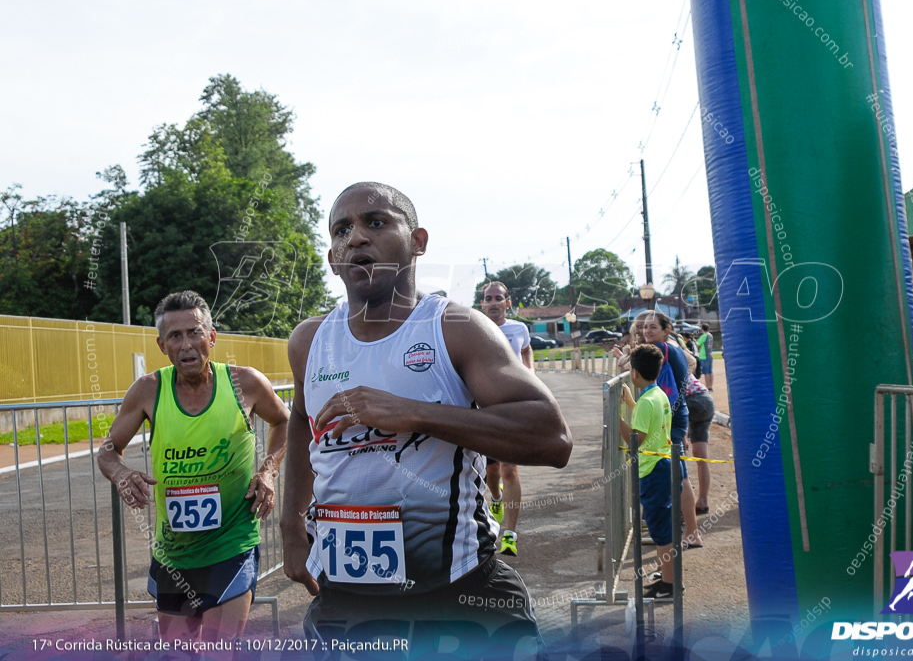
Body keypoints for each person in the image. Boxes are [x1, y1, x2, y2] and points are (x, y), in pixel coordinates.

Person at [281, 182, 573, 651]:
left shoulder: (454, 328)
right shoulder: (309, 340)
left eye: (375, 222)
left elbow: (552, 437)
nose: (355, 237)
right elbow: (300, 419)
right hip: (346, 602)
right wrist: (291, 525)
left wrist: (414, 414)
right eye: (341, 230)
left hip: (457, 597)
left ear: (417, 241)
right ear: (333, 259)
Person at [97, 290, 289, 643]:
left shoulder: (244, 383)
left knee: (220, 648)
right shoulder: (148, 391)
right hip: (174, 553)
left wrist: (268, 470)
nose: (187, 345)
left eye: (195, 332)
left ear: (212, 337)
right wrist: (122, 474)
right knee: (177, 653)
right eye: (175, 336)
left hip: (231, 544)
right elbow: (108, 452)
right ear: (162, 345)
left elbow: (284, 422)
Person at [636, 310, 702, 549]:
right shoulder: (672, 348)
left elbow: (634, 361)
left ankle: (690, 532)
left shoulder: (663, 349)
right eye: (644, 327)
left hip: (671, 417)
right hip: (673, 414)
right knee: (679, 474)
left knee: (679, 475)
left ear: (666, 330)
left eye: (652, 327)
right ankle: (686, 531)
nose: (646, 332)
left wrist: (626, 356)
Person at [618, 344, 680, 599]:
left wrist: (616, 419)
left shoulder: (647, 402)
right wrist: (631, 404)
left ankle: (670, 585)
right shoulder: (658, 395)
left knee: (660, 529)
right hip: (663, 464)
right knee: (664, 525)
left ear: (633, 373)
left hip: (653, 469)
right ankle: (669, 576)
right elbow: (649, 422)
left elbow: (636, 439)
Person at [479, 280, 533, 557]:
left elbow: (525, 350)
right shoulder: (474, 328)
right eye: (488, 298)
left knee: (510, 470)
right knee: (492, 471)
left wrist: (530, 373)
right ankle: (496, 498)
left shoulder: (519, 329)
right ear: (482, 303)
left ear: (507, 303)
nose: (493, 302)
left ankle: (509, 535)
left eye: (498, 298)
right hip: (485, 408)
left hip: (513, 406)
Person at [684, 372, 715, 515]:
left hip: (690, 402)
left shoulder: (665, 366)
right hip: (706, 399)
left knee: (677, 454)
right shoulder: (679, 360)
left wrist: (683, 437)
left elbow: (677, 401)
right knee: (701, 456)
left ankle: (681, 507)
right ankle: (703, 501)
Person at [697, 323, 714, 391]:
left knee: (706, 372)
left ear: (702, 329)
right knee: (710, 372)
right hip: (710, 355)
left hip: (704, 356)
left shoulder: (704, 336)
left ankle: (708, 387)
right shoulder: (710, 335)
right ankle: (710, 386)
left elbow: (698, 345)